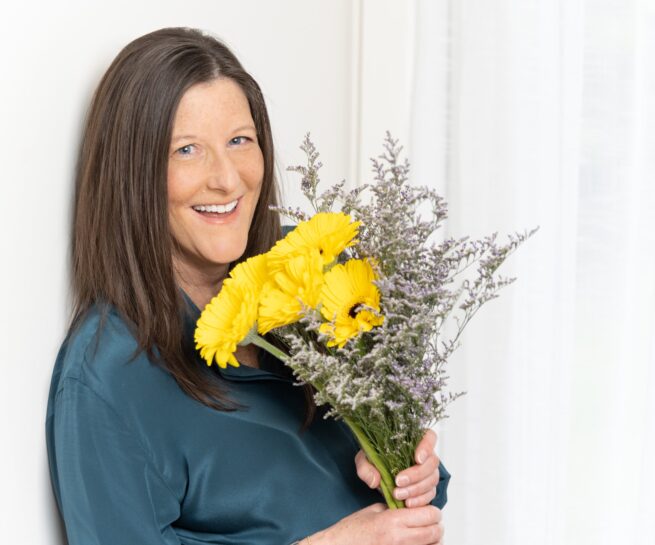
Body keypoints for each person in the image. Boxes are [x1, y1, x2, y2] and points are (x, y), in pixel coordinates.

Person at [45, 27, 450, 545]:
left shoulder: (316, 272)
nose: (228, 180)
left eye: (240, 141)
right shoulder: (108, 381)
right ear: (133, 174)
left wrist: (413, 471)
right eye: (187, 150)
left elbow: (416, 495)